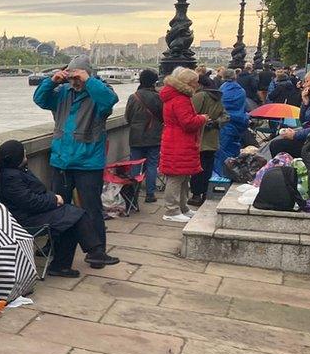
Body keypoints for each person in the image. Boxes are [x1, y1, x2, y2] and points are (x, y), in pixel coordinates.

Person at [0, 140, 119, 277]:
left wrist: (53, 197)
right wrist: (54, 200)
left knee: (73, 217)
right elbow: (29, 202)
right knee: (75, 216)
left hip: (33, 212)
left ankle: (64, 264)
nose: (26, 157)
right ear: (16, 158)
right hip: (26, 219)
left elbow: (37, 192)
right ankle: (93, 253)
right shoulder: (10, 177)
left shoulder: (18, 171)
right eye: (23, 155)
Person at [33, 55, 118, 248]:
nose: (74, 82)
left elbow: (110, 100)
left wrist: (88, 80)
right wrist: (51, 81)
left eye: (77, 78)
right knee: (58, 206)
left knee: (91, 208)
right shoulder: (62, 92)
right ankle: (54, 245)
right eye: (71, 78)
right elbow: (40, 99)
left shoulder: (100, 92)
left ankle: (96, 249)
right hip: (61, 160)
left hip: (88, 161)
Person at [158, 67, 208, 222]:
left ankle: (182, 207)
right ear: (188, 83)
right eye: (195, 82)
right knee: (176, 177)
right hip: (179, 141)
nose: (197, 85)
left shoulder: (174, 96)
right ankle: (171, 211)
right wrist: (202, 118)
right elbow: (187, 123)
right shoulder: (181, 99)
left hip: (176, 140)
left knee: (183, 175)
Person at [270, 67, 310, 158]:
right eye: (306, 81)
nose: (308, 84)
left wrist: (295, 135)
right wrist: (305, 102)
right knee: (277, 141)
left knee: (277, 145)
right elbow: (303, 121)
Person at [124, 69, 163, 203]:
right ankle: (150, 194)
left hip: (136, 136)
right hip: (154, 136)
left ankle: (133, 193)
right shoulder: (158, 97)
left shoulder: (134, 96)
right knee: (152, 165)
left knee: (135, 164)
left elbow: (127, 117)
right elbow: (163, 117)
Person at [189, 74, 227, 207]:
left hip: (200, 138)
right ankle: (205, 192)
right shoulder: (217, 98)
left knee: (197, 169)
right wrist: (217, 122)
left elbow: (191, 115)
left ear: (200, 84)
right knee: (207, 167)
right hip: (212, 139)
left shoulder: (200, 96)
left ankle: (196, 195)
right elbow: (226, 116)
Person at [215, 68, 250, 178]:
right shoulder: (241, 91)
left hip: (226, 122)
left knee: (222, 150)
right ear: (235, 77)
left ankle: (223, 174)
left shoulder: (222, 90)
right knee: (234, 147)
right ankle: (234, 171)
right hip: (239, 122)